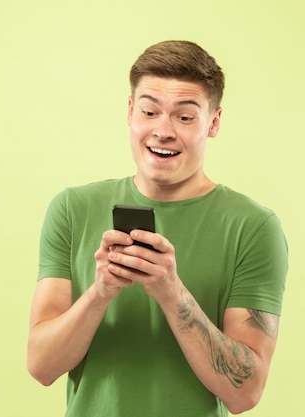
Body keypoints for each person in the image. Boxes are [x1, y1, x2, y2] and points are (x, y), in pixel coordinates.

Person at [27, 40, 288, 417]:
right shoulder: (72, 209)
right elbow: (41, 366)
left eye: (185, 117)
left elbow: (245, 393)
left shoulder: (253, 227)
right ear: (131, 112)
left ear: (213, 123)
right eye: (150, 111)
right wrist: (100, 292)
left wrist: (171, 293)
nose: (163, 131)